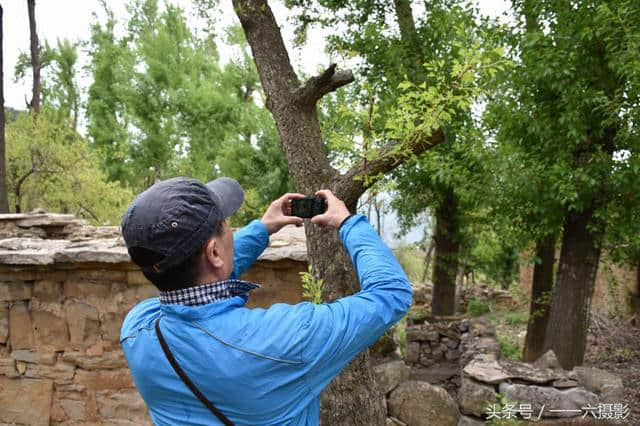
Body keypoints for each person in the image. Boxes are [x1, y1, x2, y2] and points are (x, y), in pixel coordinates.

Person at [120, 176, 412, 425]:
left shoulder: (136, 328)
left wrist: (264, 228)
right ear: (214, 253)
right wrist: (349, 223)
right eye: (226, 226)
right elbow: (391, 293)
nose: (231, 232)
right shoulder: (286, 338)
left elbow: (203, 281)